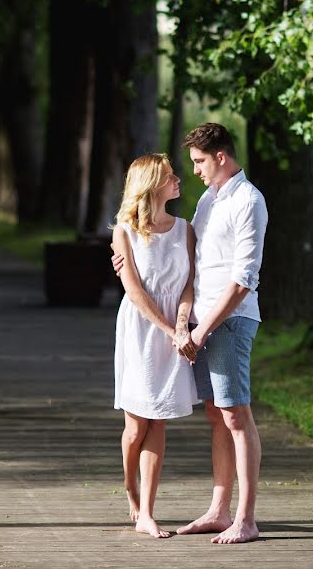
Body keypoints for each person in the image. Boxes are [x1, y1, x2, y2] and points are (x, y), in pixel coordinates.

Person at [112, 123, 268, 544]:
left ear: (220, 156)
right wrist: (186, 325)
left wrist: (197, 330)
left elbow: (243, 280)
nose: (193, 170)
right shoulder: (207, 201)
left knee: (236, 414)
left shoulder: (248, 201)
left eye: (199, 161)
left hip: (228, 322)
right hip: (197, 325)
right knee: (217, 415)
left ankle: (246, 519)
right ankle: (219, 510)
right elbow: (190, 266)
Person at [112, 153, 199, 539]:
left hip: (172, 331)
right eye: (169, 176)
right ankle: (130, 486)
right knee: (136, 424)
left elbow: (188, 286)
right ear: (150, 185)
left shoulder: (186, 229)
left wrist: (182, 327)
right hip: (141, 327)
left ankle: (147, 511)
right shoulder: (125, 231)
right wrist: (168, 330)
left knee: (159, 416)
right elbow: (133, 290)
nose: (178, 179)